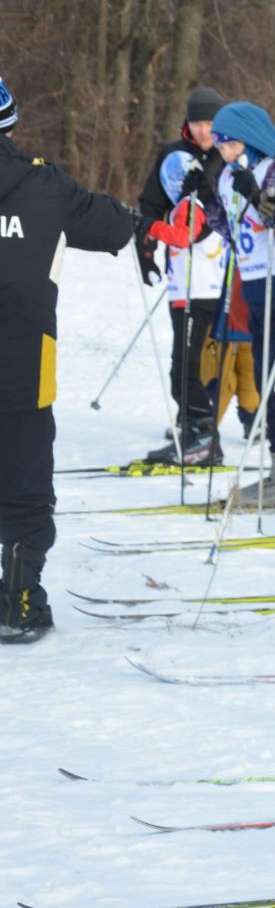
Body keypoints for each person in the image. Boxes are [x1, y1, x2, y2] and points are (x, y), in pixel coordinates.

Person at [0, 77, 136, 642]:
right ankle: (19, 599)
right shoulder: (44, 184)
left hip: (24, 367)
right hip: (24, 369)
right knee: (26, 491)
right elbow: (116, 226)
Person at [210, 102, 275, 507]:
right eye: (218, 143)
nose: (223, 150)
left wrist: (262, 198)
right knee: (264, 373)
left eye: (228, 141)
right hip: (252, 282)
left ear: (247, 138)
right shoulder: (227, 176)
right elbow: (228, 229)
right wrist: (207, 199)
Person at [133, 86, 228, 465]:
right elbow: (151, 206)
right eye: (198, 122)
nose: (205, 130)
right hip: (182, 275)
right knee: (183, 359)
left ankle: (202, 431)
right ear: (187, 123)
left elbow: (207, 219)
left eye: (211, 123)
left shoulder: (227, 154)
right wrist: (146, 247)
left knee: (188, 360)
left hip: (212, 272)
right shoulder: (173, 155)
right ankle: (192, 427)